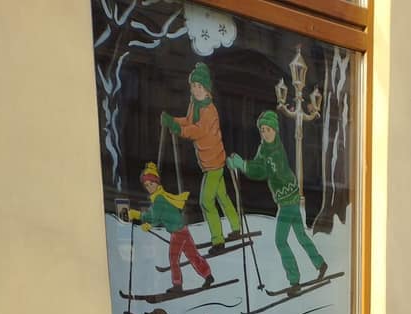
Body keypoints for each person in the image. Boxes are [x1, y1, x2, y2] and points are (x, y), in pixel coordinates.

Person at [226, 111, 327, 296]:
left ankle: (295, 281)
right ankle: (320, 263)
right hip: (289, 199)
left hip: (288, 200)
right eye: (262, 130)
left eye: (268, 130)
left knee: (281, 241)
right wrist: (241, 164)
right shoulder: (264, 149)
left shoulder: (276, 152)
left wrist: (243, 165)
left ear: (276, 131)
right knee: (300, 236)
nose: (265, 134)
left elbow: (264, 171)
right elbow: (257, 165)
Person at [162, 62, 241, 255]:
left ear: (207, 90)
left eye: (200, 87)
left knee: (206, 201)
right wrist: (174, 121)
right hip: (208, 161)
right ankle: (237, 227)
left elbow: (198, 131)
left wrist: (178, 129)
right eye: (194, 86)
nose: (196, 90)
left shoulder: (209, 110)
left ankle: (218, 240)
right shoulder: (195, 105)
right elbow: (189, 122)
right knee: (222, 196)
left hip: (214, 162)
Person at [127, 162, 213, 296]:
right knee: (193, 255)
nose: (149, 187)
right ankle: (208, 275)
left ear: (157, 183)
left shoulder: (160, 198)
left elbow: (154, 216)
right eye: (147, 185)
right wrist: (144, 218)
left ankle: (177, 285)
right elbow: (156, 216)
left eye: (151, 184)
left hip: (178, 233)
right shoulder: (161, 196)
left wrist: (142, 219)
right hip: (182, 230)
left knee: (174, 259)